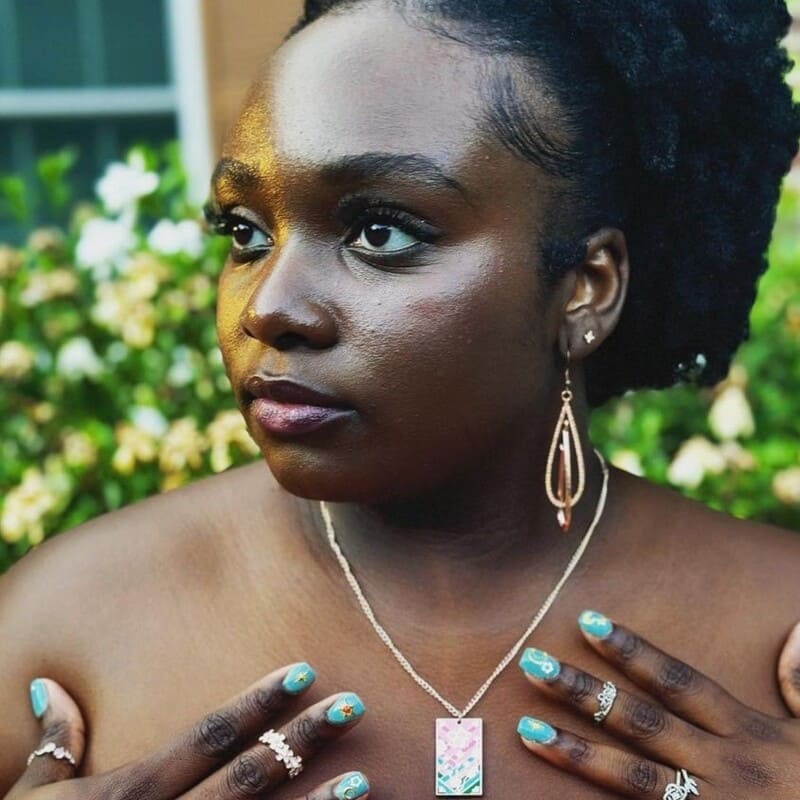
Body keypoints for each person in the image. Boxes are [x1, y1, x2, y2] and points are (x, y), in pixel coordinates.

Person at [1, 1, 800, 798]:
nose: (268, 307)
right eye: (246, 232)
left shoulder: (778, 633)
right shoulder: (68, 630)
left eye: (380, 233)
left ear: (586, 290)